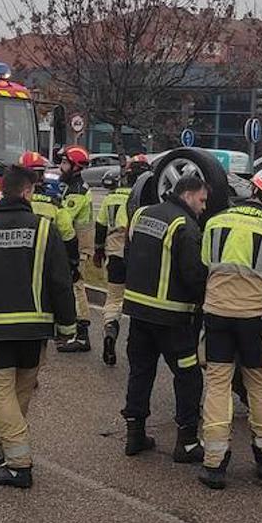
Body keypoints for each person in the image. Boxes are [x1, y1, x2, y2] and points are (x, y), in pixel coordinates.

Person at [0, 163, 77, 488]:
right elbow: (60, 282)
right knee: (21, 390)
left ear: (3, 191)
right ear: (27, 192)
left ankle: (19, 464)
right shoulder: (43, 228)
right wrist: (68, 326)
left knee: (2, 393)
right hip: (35, 328)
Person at [197, 166, 262, 490]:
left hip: (216, 315)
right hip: (254, 322)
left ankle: (214, 463)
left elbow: (203, 271)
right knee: (258, 384)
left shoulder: (214, 223)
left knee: (217, 384)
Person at [120, 175, 209, 463]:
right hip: (173, 320)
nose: (204, 207)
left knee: (140, 372)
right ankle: (186, 443)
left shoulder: (142, 214)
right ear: (188, 195)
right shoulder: (185, 226)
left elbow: (128, 254)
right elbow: (194, 276)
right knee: (188, 376)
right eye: (202, 200)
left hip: (138, 313)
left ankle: (134, 436)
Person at [94, 154, 149, 366]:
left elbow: (100, 227)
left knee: (114, 298)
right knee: (137, 303)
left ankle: (110, 328)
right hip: (138, 257)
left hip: (115, 254)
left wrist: (99, 252)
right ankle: (137, 347)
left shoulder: (111, 197)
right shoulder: (144, 200)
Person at [19, 151, 80, 292]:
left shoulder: (10, 202)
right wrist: (73, 264)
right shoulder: (54, 203)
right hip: (48, 261)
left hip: (18, 263)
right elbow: (68, 235)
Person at [57, 145, 94, 353]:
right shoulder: (71, 187)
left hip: (79, 246)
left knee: (77, 286)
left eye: (64, 163)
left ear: (75, 166)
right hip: (74, 244)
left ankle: (82, 335)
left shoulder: (77, 192)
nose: (61, 167)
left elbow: (65, 220)